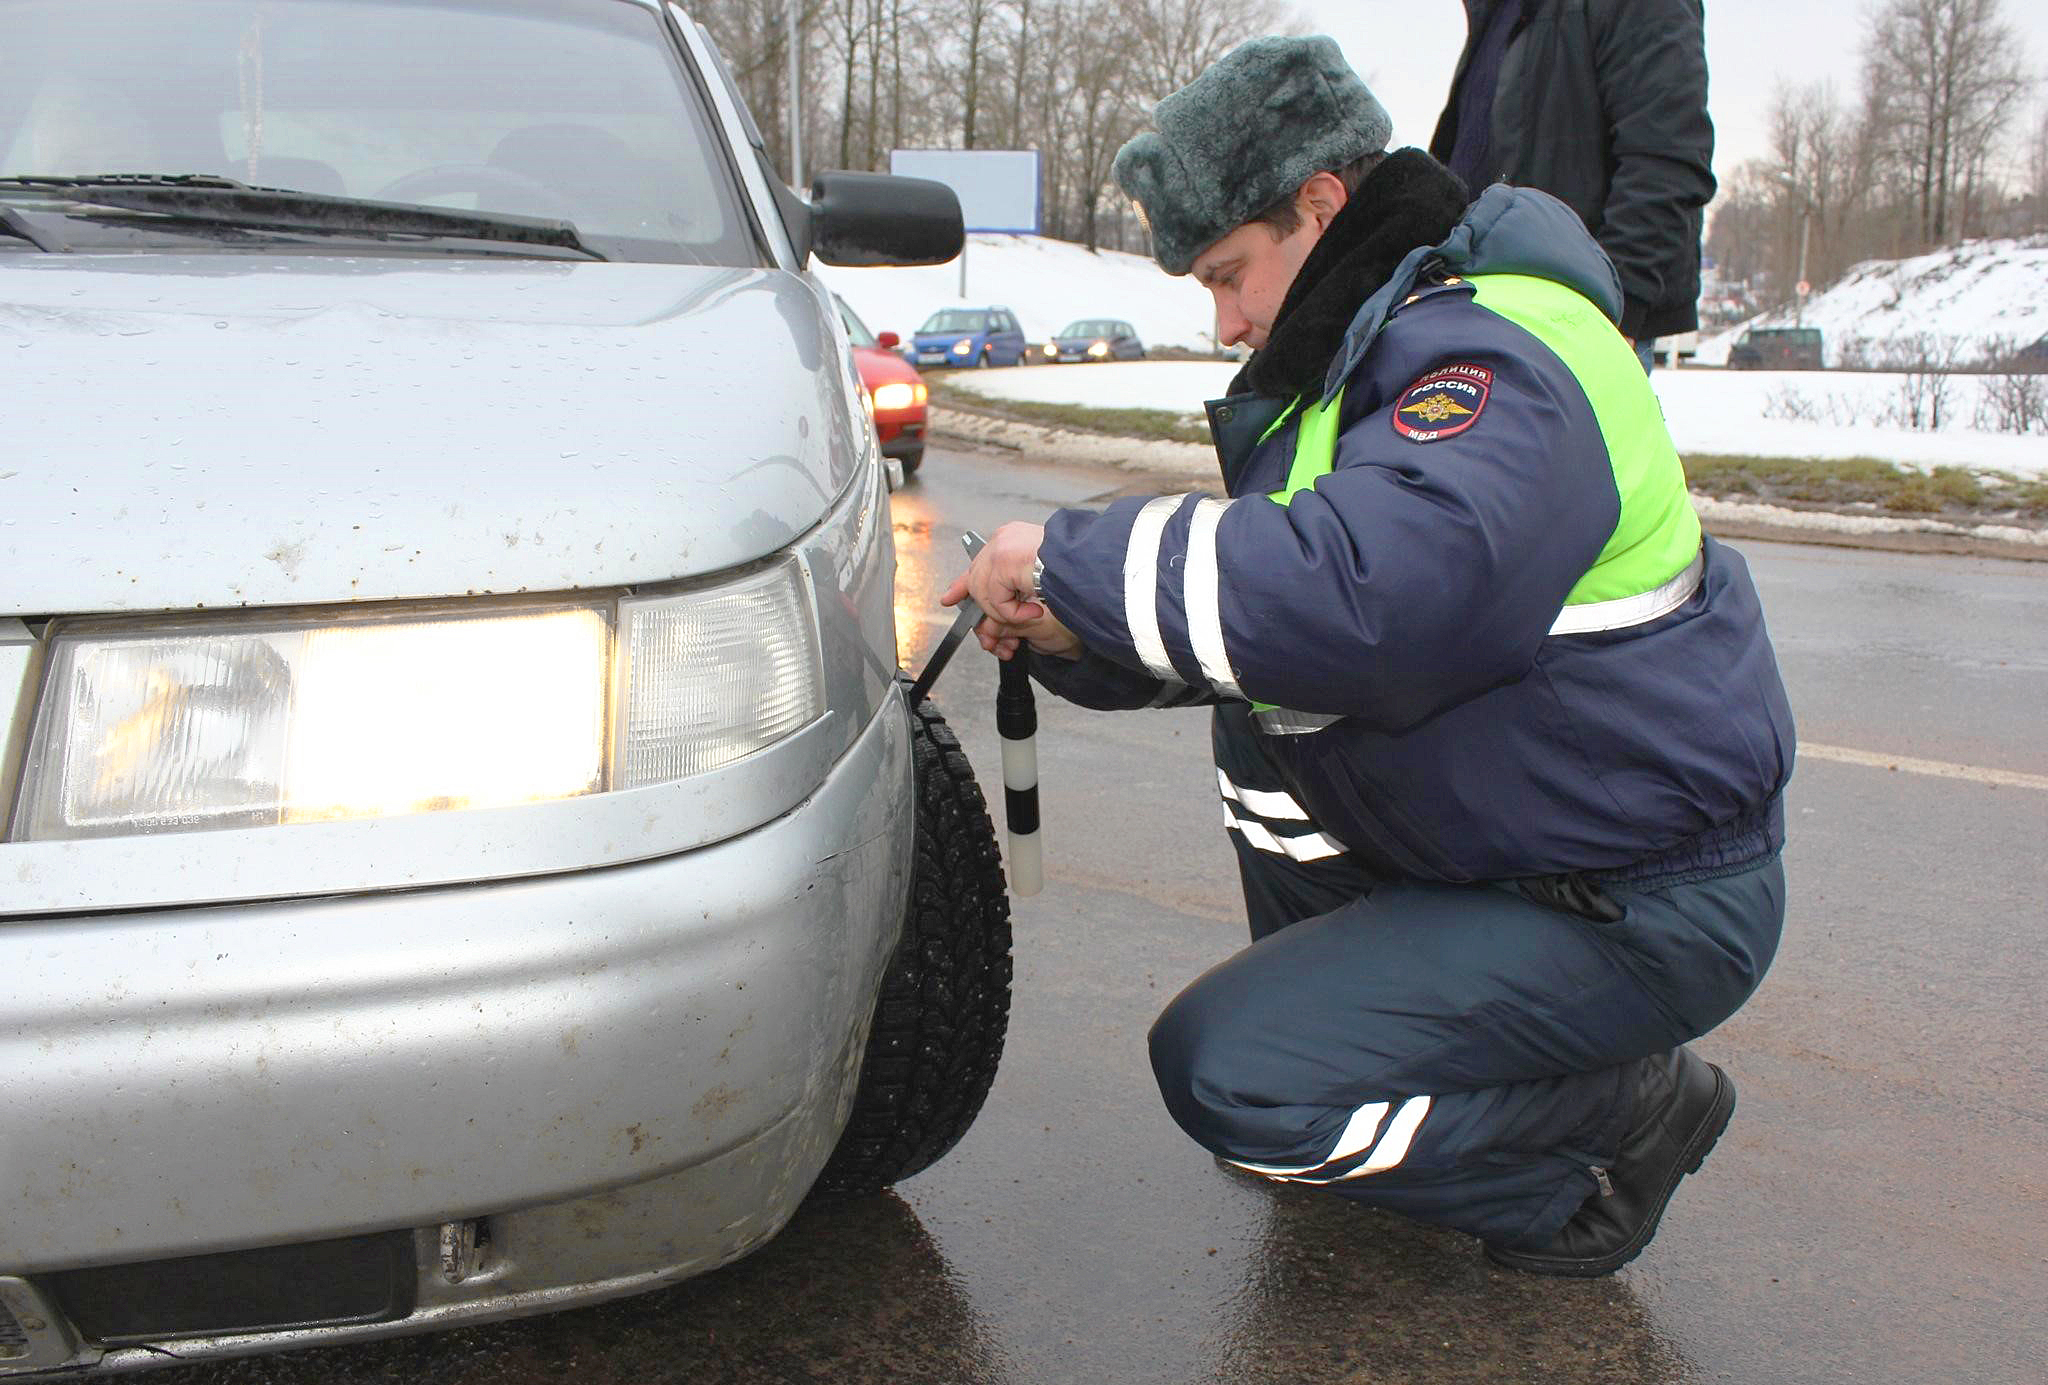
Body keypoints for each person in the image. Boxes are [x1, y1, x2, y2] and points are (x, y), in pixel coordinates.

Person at [940, 34, 1794, 1276]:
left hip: (1639, 893)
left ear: (1321, 204)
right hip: (1523, 845)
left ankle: (1615, 1125)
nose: (1226, 320)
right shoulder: (1369, 356)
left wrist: (1073, 559)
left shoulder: (1497, 346)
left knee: (1231, 1079)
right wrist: (1078, 628)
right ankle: (1351, 1061)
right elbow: (1276, 620)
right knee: (1261, 720)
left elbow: (1372, 599)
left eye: (1230, 273)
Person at [1430, 0, 1715, 370]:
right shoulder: (1501, 11)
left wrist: (1616, 309)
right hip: (1476, 311)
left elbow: (1666, 159)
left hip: (1576, 324)